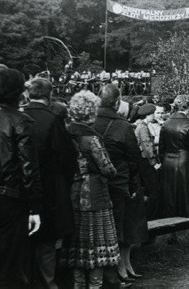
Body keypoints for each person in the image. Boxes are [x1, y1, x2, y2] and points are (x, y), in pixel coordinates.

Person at [0, 68, 42, 288]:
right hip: (10, 199)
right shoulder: (20, 121)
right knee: (12, 265)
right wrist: (34, 208)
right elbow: (28, 169)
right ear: (16, 92)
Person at [23, 78, 77, 289]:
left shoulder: (18, 116)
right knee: (46, 242)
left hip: (21, 187)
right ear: (49, 95)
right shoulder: (52, 120)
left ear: (28, 94)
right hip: (49, 189)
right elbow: (68, 158)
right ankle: (48, 283)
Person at [64, 91, 120, 289]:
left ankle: (78, 286)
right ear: (91, 112)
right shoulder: (91, 139)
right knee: (98, 246)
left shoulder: (65, 133)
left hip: (72, 193)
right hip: (95, 195)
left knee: (77, 247)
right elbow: (107, 168)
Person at [92, 84, 145, 286]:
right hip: (119, 182)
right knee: (118, 228)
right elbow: (134, 158)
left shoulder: (89, 122)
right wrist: (132, 184)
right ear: (117, 102)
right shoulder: (123, 126)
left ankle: (113, 272)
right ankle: (115, 274)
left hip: (95, 184)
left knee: (102, 230)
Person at [159, 95, 189, 219]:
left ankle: (171, 214)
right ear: (188, 108)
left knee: (170, 191)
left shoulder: (166, 123)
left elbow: (161, 148)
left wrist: (163, 161)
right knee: (186, 190)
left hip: (168, 160)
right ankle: (187, 214)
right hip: (184, 160)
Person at [135, 104, 161, 220]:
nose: (154, 116)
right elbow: (147, 146)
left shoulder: (141, 126)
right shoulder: (143, 128)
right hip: (146, 162)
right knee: (154, 191)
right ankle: (150, 216)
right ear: (148, 115)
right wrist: (154, 162)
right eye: (153, 114)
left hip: (144, 162)